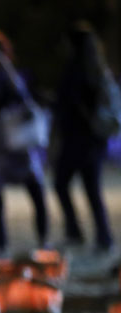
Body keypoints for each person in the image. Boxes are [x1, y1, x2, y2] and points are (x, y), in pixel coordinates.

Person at [0, 30, 49, 256]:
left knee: (37, 191)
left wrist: (5, 66)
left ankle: (43, 243)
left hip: (19, 145)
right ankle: (2, 250)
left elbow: (23, 98)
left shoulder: (16, 76)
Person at [53, 22, 118, 253]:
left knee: (61, 183)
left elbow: (69, 104)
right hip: (95, 140)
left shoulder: (75, 69)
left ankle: (76, 232)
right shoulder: (98, 68)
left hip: (78, 138)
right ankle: (104, 237)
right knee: (92, 189)